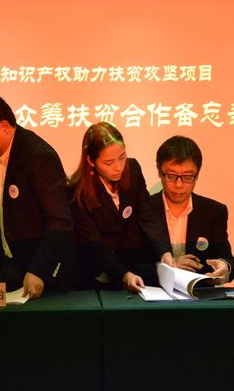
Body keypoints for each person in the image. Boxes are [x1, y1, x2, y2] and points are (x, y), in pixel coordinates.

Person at [0, 93, 73, 299]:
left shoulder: (38, 156)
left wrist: (38, 270)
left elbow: (60, 221)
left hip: (40, 275)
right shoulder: (3, 153)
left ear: (4, 127)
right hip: (11, 268)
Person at [70, 122, 174, 292]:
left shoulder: (132, 169)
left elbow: (146, 213)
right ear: (91, 161)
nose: (118, 167)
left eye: (122, 157)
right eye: (109, 162)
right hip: (96, 273)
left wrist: (164, 251)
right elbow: (93, 243)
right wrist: (124, 275)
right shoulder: (77, 190)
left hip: (134, 263)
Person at [150, 136, 234, 283]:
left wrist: (224, 266)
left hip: (198, 293)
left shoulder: (213, 211)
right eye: (171, 176)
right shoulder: (144, 210)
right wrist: (170, 267)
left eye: (188, 177)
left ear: (197, 175)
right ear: (159, 172)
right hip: (152, 291)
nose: (178, 185)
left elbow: (226, 257)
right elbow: (131, 265)